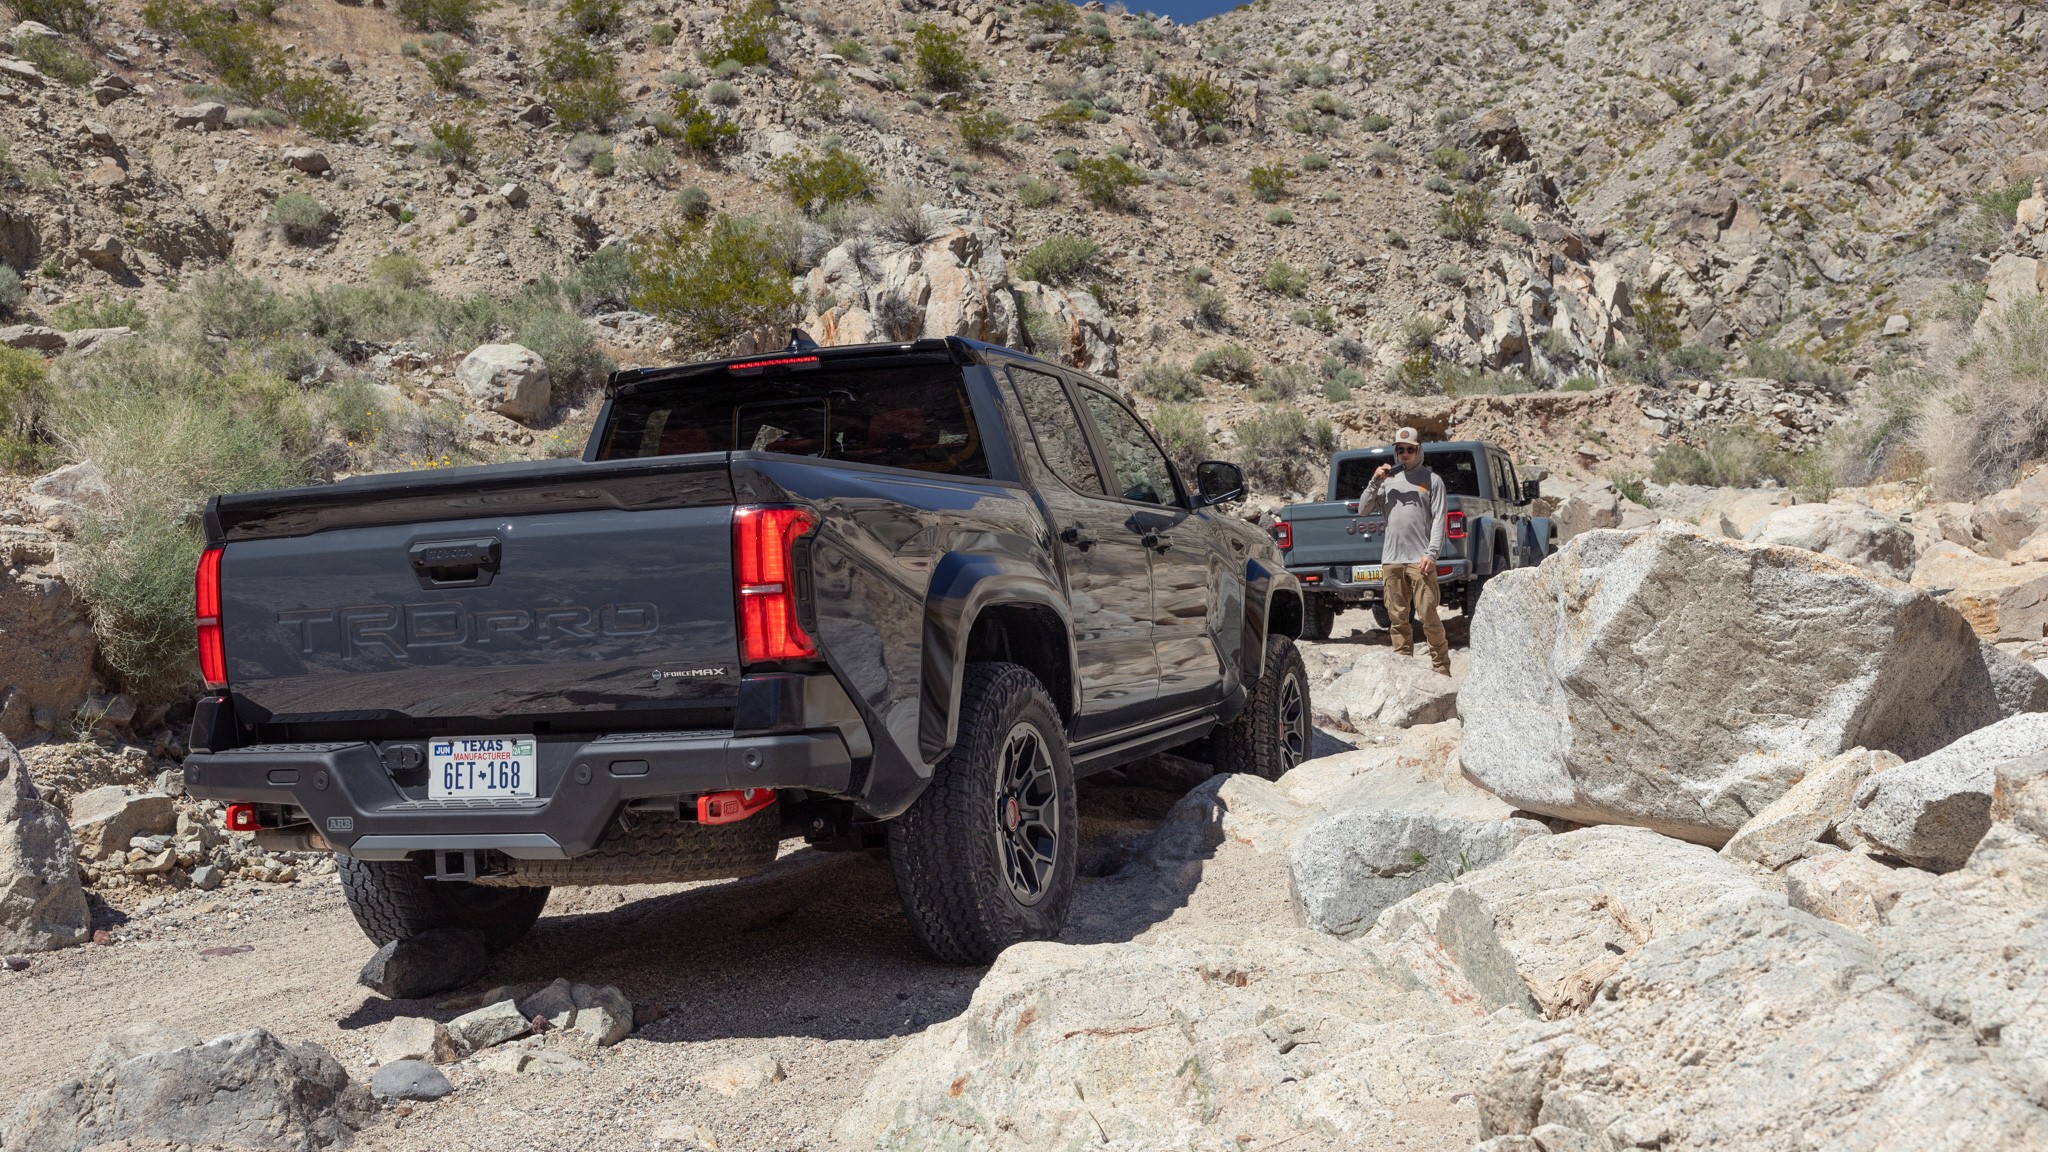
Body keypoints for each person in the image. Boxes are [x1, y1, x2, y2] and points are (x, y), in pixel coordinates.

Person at [1358, 426, 1450, 675]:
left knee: (1428, 615)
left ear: (1419, 450)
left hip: (1420, 560)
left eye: (1410, 449)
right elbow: (1363, 509)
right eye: (1401, 449)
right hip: (1392, 560)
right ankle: (1403, 670)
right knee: (1398, 619)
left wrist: (1431, 554)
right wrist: (1375, 480)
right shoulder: (1386, 482)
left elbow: (1439, 520)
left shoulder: (1432, 480)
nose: (1405, 454)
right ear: (1395, 452)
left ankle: (1442, 669)